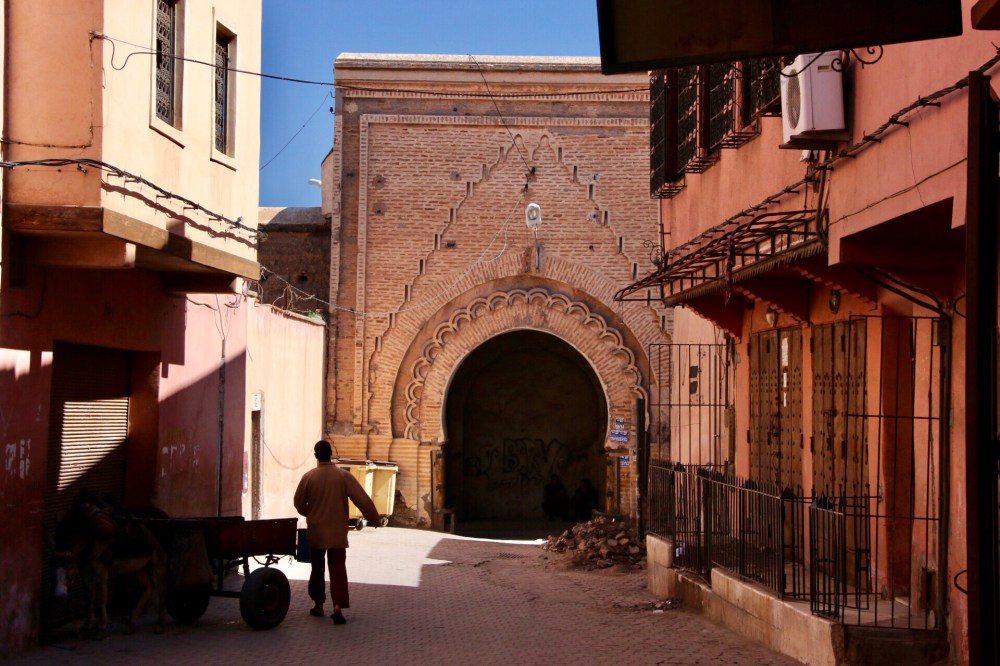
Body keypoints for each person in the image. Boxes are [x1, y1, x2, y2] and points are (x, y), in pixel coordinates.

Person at [294, 440, 380, 625]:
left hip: (316, 531)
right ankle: (338, 606)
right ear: (331, 454)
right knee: (338, 568)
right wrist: (374, 518)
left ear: (316, 455)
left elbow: (299, 503)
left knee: (317, 568)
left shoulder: (309, 477)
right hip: (337, 532)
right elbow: (362, 499)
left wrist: (311, 513)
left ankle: (318, 605)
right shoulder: (343, 476)